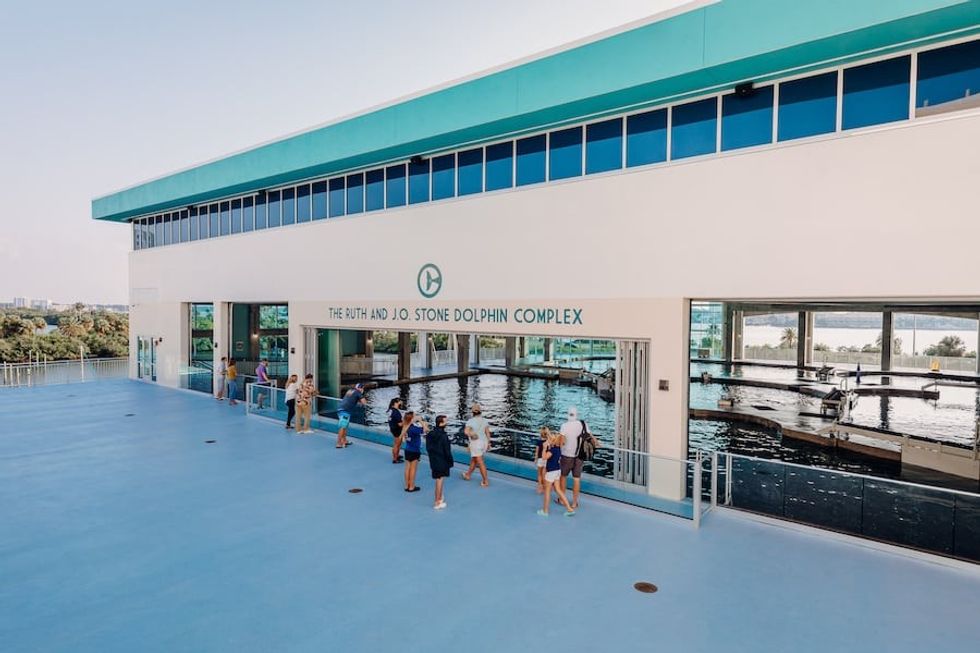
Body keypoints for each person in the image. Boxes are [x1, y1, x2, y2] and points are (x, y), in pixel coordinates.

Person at [538, 427, 575, 517]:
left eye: (549, 439)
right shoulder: (558, 449)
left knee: (547, 491)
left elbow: (544, 457)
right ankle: (569, 509)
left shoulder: (552, 450)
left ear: (552, 441)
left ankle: (545, 511)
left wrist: (544, 448)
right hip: (557, 471)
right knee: (558, 490)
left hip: (551, 472)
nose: (548, 440)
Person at [559, 407, 584, 509]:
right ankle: (574, 502)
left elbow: (561, 442)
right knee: (576, 479)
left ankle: (562, 499)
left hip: (566, 455)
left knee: (563, 477)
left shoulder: (564, 426)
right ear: (577, 414)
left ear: (568, 414)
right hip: (579, 456)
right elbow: (590, 436)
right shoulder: (582, 424)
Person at [426, 415, 453, 510]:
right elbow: (447, 451)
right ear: (441, 423)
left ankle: (439, 497)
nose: (447, 423)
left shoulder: (430, 434)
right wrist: (450, 461)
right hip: (442, 460)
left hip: (433, 459)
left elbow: (428, 448)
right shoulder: (443, 436)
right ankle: (437, 501)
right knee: (440, 480)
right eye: (445, 421)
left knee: (438, 479)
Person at [462, 403, 491, 487]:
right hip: (484, 443)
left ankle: (485, 481)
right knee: (474, 460)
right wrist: (489, 443)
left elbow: (466, 432)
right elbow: (487, 433)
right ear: (480, 412)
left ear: (472, 412)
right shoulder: (485, 421)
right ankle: (468, 475)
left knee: (480, 462)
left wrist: (472, 434)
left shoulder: (470, 421)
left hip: (476, 443)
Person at [400, 411, 427, 493]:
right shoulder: (414, 429)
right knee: (413, 469)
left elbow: (403, 439)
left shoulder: (405, 427)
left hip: (407, 449)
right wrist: (421, 421)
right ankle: (411, 486)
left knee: (407, 468)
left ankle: (406, 485)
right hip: (415, 450)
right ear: (412, 419)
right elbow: (426, 429)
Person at [336, 383, 366, 448]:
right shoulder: (358, 392)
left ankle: (344, 440)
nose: (363, 390)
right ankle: (338, 443)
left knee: (345, 426)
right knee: (342, 427)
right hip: (345, 411)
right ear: (360, 388)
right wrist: (361, 400)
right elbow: (364, 402)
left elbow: (350, 399)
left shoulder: (350, 390)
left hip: (341, 409)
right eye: (363, 388)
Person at [387, 397, 405, 464]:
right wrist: (407, 421)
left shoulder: (390, 410)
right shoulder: (396, 412)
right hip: (397, 430)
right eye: (400, 402)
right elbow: (400, 424)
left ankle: (397, 455)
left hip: (393, 428)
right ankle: (395, 459)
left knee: (396, 444)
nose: (401, 403)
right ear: (396, 403)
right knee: (397, 445)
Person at [534, 428, 547, 494]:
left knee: (539, 474)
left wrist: (535, 459)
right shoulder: (548, 442)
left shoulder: (538, 442)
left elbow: (537, 451)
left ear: (540, 434)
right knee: (544, 474)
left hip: (540, 459)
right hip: (546, 459)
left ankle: (540, 488)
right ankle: (545, 488)